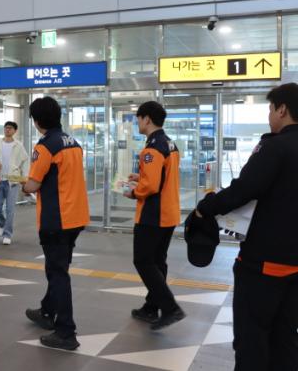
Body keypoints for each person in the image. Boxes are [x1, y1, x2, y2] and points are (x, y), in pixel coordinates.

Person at [194, 83, 298, 371]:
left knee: (252, 339)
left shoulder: (274, 147)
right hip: (295, 265)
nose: (269, 116)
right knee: (286, 337)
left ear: (282, 109)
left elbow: (244, 189)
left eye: (270, 109)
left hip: (264, 263)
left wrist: (206, 207)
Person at [22, 96, 90, 351]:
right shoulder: (73, 143)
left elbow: (33, 184)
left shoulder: (44, 146)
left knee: (57, 273)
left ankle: (66, 332)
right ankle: (46, 311)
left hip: (56, 218)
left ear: (37, 120)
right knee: (59, 266)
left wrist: (23, 186)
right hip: (76, 216)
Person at [123, 101, 185, 330]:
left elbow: (150, 187)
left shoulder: (151, 148)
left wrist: (133, 192)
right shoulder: (170, 144)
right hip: (169, 212)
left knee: (143, 261)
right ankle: (151, 307)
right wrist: (140, 178)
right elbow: (162, 178)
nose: (137, 123)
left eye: (138, 119)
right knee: (158, 261)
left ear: (146, 119)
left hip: (152, 215)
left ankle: (170, 308)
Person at [0, 121, 29, 245]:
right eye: (6, 128)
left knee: (10, 209)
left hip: (13, 181)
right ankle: (2, 224)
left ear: (15, 131)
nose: (7, 130)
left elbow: (25, 161)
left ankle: (7, 234)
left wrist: (24, 178)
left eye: (10, 128)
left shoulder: (19, 145)